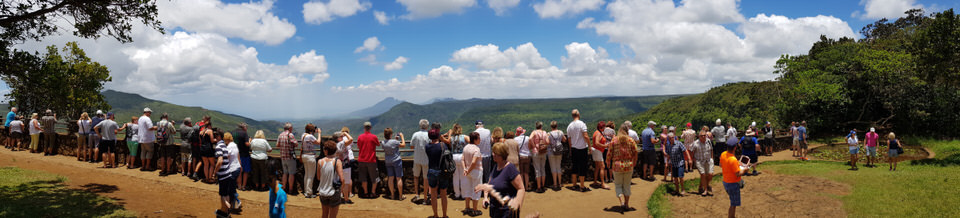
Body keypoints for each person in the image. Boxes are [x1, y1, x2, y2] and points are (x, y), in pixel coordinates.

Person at [479, 141, 526, 218]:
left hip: (507, 211)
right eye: (493, 152)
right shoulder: (496, 167)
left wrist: (518, 204)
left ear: (502, 155)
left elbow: (521, 189)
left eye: (496, 153)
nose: (493, 155)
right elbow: (489, 184)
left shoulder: (510, 169)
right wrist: (485, 198)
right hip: (495, 209)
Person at [605, 123, 637, 213]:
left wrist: (608, 162)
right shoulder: (631, 140)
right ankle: (627, 204)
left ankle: (622, 202)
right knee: (627, 185)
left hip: (617, 166)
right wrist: (634, 162)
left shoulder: (614, 140)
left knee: (618, 185)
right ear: (627, 131)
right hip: (628, 165)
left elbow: (609, 153)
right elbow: (635, 152)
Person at [214, 131, 242, 217]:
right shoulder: (235, 145)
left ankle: (231, 205)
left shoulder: (228, 147)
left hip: (231, 169)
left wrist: (215, 172)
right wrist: (240, 166)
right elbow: (237, 156)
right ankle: (231, 205)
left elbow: (224, 158)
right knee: (231, 188)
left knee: (229, 190)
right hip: (237, 167)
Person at [317, 140, 345, 218]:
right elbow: (342, 179)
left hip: (322, 191)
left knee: (324, 214)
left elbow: (318, 177)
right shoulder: (337, 162)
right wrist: (342, 189)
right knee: (333, 216)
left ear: (326, 151)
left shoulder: (320, 161)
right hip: (334, 191)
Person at [425, 128, 450, 218]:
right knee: (443, 194)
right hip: (443, 171)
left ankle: (435, 215)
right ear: (438, 136)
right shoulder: (443, 146)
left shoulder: (427, 146)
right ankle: (444, 215)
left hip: (432, 171)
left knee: (433, 195)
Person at [720, 140, 747, 218]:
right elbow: (738, 174)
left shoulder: (723, 154)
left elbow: (721, 164)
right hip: (733, 183)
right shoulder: (733, 159)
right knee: (733, 204)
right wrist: (745, 170)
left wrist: (737, 164)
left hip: (726, 181)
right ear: (735, 148)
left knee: (733, 201)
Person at [566, 109, 591, 192]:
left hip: (574, 148)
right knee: (582, 167)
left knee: (575, 167)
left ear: (572, 116)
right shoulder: (582, 124)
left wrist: (570, 149)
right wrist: (590, 146)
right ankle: (582, 186)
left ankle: (574, 185)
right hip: (582, 148)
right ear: (578, 115)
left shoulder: (569, 126)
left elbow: (569, 139)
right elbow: (586, 136)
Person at [356, 121, 381, 198]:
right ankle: (373, 192)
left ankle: (366, 193)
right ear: (370, 128)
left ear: (364, 128)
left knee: (363, 178)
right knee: (374, 177)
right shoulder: (374, 137)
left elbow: (358, 146)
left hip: (362, 160)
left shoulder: (360, 137)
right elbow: (378, 144)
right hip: (371, 160)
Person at [461, 132, 483, 217]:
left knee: (468, 189)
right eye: (479, 138)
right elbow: (474, 162)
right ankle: (474, 209)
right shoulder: (476, 149)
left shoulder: (466, 147)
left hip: (467, 171)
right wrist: (469, 170)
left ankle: (467, 207)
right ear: (475, 139)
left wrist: (465, 169)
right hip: (476, 172)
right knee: (476, 190)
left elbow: (462, 159)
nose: (480, 140)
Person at [382, 128, 406, 200]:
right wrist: (402, 136)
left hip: (388, 161)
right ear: (391, 134)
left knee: (390, 178)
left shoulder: (383, 142)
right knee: (398, 178)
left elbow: (389, 145)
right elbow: (403, 145)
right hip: (396, 160)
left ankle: (392, 195)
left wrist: (395, 140)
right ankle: (400, 196)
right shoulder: (394, 142)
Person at [411, 119, 431, 205]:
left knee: (416, 177)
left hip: (417, 158)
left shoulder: (415, 134)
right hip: (426, 159)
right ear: (427, 126)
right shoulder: (429, 135)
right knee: (425, 178)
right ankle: (425, 198)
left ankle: (417, 194)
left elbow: (411, 146)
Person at [667, 129, 692, 196]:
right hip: (674, 163)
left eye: (672, 137)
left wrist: (689, 159)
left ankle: (683, 189)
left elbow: (685, 150)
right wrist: (667, 162)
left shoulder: (679, 143)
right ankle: (677, 190)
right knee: (675, 177)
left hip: (680, 163)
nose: (671, 139)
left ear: (674, 137)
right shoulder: (669, 146)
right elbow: (669, 154)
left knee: (680, 177)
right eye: (670, 138)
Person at [690, 130, 714, 196]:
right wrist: (692, 159)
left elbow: (711, 149)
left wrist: (712, 158)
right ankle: (705, 190)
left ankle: (703, 185)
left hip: (708, 160)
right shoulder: (695, 143)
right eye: (702, 136)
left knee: (710, 175)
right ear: (699, 136)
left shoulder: (708, 141)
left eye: (704, 135)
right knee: (703, 174)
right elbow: (691, 151)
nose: (703, 137)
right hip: (699, 161)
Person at [276, 123, 298, 194]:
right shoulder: (290, 135)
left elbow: (277, 145)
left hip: (283, 157)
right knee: (291, 174)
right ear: (290, 128)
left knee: (285, 173)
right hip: (290, 157)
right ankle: (291, 189)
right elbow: (296, 144)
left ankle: (284, 188)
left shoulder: (280, 135)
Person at [448, 124, 469, 200]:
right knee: (463, 177)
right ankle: (463, 195)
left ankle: (457, 194)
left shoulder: (452, 138)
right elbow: (471, 142)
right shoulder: (464, 137)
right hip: (462, 156)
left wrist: (449, 134)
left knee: (455, 177)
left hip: (454, 156)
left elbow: (447, 141)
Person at [334, 129, 355, 204]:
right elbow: (351, 139)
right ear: (338, 138)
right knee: (346, 182)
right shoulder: (341, 143)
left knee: (338, 182)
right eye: (341, 136)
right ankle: (346, 199)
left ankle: (337, 198)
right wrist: (346, 133)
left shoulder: (334, 145)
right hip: (345, 165)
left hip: (337, 165)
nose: (342, 136)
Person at [528, 122, 549, 193]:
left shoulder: (534, 132)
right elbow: (547, 141)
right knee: (543, 169)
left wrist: (534, 146)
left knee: (537, 170)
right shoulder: (544, 132)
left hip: (536, 152)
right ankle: (543, 186)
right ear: (541, 126)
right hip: (543, 152)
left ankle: (539, 187)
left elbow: (530, 139)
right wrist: (543, 145)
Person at [301, 124, 320, 198]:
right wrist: (319, 133)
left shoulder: (303, 135)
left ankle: (306, 191)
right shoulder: (310, 136)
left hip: (304, 156)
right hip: (310, 156)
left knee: (307, 174)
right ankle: (309, 193)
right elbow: (318, 142)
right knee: (311, 175)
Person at [546, 121, 566, 190]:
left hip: (551, 152)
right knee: (558, 167)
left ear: (551, 126)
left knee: (553, 168)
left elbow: (547, 142)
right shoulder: (560, 132)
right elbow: (564, 140)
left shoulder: (549, 134)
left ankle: (555, 184)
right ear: (556, 126)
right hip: (559, 151)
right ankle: (560, 183)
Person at [590, 122, 610, 190]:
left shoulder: (596, 132)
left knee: (597, 167)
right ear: (602, 127)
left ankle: (595, 181)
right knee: (602, 166)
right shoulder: (598, 133)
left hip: (595, 150)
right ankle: (603, 183)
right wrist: (605, 146)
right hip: (598, 151)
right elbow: (597, 143)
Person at [233, 124, 251, 190]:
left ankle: (239, 186)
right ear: (244, 128)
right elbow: (247, 144)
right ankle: (243, 186)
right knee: (245, 171)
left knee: (239, 171)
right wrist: (250, 141)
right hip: (244, 154)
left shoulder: (233, 133)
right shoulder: (244, 134)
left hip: (236, 154)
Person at [514, 126, 532, 192]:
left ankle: (522, 187)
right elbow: (530, 146)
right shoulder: (527, 138)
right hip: (527, 156)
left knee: (521, 173)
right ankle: (526, 187)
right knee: (526, 173)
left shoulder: (515, 139)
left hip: (520, 157)